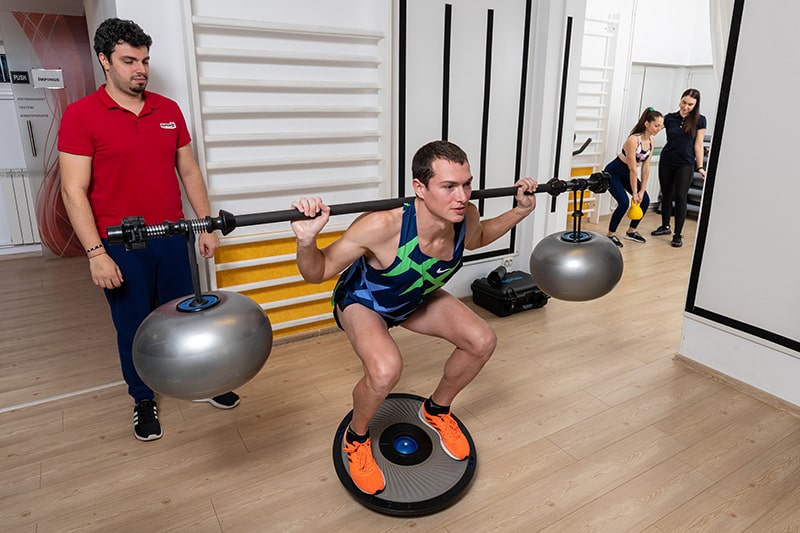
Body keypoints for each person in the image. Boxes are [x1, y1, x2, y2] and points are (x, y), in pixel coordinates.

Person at [290, 140, 537, 494]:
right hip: (365, 302)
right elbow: (318, 272)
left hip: (413, 299)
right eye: (448, 186)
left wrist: (520, 211)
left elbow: (478, 236)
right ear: (419, 188)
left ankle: (436, 410)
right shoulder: (381, 225)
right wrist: (306, 241)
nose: (462, 196)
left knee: (481, 340)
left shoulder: (464, 216)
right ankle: (356, 438)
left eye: (466, 184)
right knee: (385, 370)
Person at [59, 18, 240, 442]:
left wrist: (205, 224)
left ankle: (202, 380)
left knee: (187, 315)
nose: (140, 69)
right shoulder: (81, 115)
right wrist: (95, 253)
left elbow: (189, 171)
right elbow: (73, 190)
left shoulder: (168, 110)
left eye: (144, 61)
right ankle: (142, 398)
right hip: (122, 244)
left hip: (172, 236)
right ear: (105, 61)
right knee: (134, 326)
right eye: (129, 61)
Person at [652, 88, 707, 248]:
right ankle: (665, 226)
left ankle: (677, 234)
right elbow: (653, 128)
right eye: (684, 102)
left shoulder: (700, 120)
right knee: (667, 195)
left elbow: (699, 144)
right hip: (667, 161)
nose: (686, 107)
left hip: (685, 163)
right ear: (680, 100)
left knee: (681, 197)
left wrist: (700, 167)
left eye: (690, 104)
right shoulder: (670, 118)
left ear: (695, 105)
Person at [604, 107, 664, 247]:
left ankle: (631, 231)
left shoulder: (651, 142)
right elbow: (633, 169)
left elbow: (646, 167)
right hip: (613, 173)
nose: (659, 129)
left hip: (627, 174)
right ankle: (610, 234)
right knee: (624, 203)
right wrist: (635, 193)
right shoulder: (633, 140)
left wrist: (642, 191)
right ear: (647, 124)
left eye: (661, 126)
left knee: (645, 200)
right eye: (656, 125)